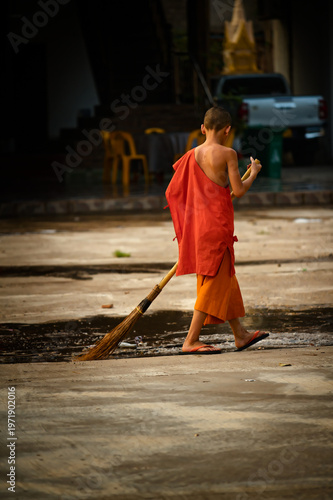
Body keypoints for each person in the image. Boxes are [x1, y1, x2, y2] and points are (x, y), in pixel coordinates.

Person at [165, 106, 269, 354]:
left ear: (203, 128)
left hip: (199, 225)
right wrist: (252, 173)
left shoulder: (191, 155)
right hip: (217, 226)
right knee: (212, 281)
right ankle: (190, 340)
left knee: (225, 277)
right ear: (227, 130)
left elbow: (174, 192)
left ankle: (240, 334)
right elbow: (239, 190)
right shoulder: (228, 153)